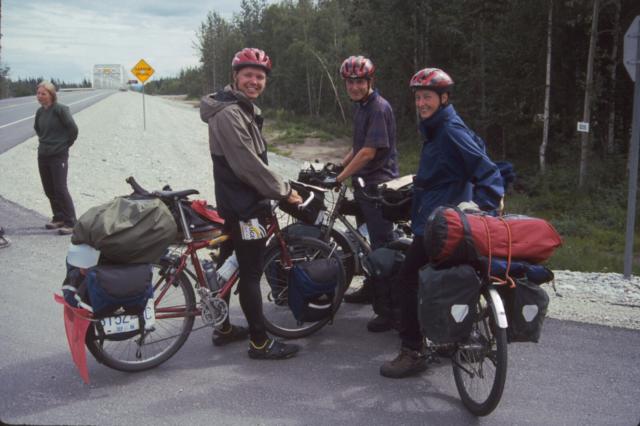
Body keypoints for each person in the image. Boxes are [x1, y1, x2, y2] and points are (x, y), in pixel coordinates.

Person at [380, 68, 504, 378]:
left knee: (407, 280)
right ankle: (452, 334)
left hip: (443, 225)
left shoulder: (449, 130)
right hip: (439, 218)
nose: (421, 103)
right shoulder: (438, 128)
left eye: (428, 97)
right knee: (443, 280)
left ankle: (412, 351)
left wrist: (481, 207)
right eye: (418, 98)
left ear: (444, 98)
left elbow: (487, 171)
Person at [200, 47, 303, 360]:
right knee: (250, 273)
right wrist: (284, 190)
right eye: (248, 75)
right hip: (245, 206)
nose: (254, 81)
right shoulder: (230, 113)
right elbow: (248, 165)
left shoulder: (239, 108)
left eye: (260, 77)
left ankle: (223, 328)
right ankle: (260, 342)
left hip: (236, 201)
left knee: (228, 267)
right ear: (235, 76)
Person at [334, 55, 400, 332]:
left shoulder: (378, 108)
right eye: (350, 82)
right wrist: (338, 166)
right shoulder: (362, 107)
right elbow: (358, 146)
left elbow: (369, 152)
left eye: (359, 81)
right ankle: (371, 289)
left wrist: (339, 178)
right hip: (364, 185)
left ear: (370, 81)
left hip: (378, 188)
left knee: (382, 248)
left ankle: (390, 311)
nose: (354, 87)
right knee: (365, 242)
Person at [34, 81, 78, 235]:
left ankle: (71, 222)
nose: (40, 96)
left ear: (51, 95)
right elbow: (38, 129)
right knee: (49, 189)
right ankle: (59, 218)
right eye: (38, 93)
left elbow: (73, 130)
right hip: (43, 154)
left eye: (43, 93)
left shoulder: (61, 110)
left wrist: (64, 145)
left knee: (60, 188)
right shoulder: (40, 112)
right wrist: (47, 142)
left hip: (58, 154)